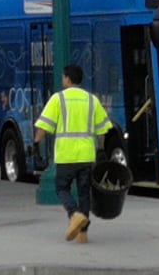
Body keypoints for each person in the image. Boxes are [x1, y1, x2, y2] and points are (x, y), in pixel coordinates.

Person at [34, 64, 112, 244]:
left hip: (66, 155)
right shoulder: (92, 100)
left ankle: (74, 214)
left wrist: (36, 143)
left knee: (62, 189)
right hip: (86, 155)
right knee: (84, 193)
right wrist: (100, 150)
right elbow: (103, 129)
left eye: (63, 77)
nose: (63, 80)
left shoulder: (58, 99)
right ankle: (82, 234)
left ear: (68, 79)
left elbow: (44, 126)